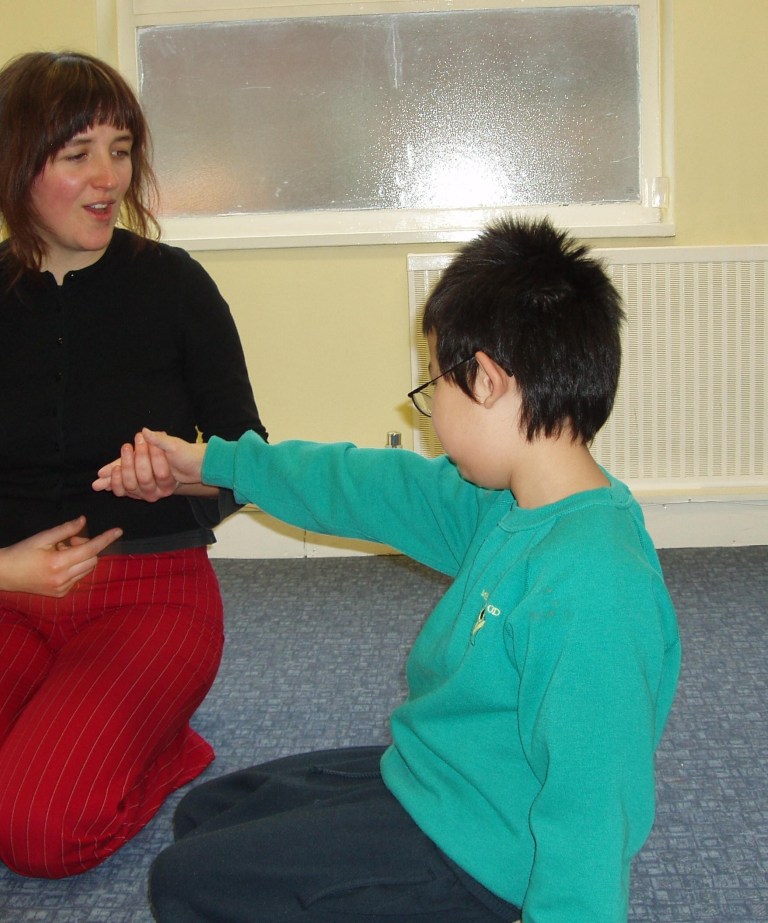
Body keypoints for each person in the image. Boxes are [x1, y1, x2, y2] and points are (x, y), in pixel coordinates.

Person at [94, 217, 681, 921]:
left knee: (186, 882)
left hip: (483, 858)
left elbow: (592, 815)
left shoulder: (593, 585)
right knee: (209, 812)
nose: (430, 414)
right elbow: (364, 485)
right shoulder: (508, 501)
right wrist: (214, 463)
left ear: (487, 380)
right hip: (441, 774)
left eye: (435, 387)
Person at [0, 50, 267, 879]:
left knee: (37, 835)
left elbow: (249, 457)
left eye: (121, 150)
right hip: (8, 597)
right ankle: (57, 724)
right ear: (13, 168)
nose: (109, 177)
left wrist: (183, 474)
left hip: (153, 594)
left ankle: (166, 745)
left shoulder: (175, 286)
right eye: (78, 154)